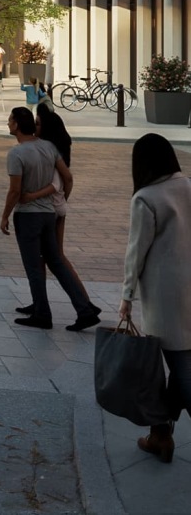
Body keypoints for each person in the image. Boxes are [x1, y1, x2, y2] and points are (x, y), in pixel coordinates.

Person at [117, 133, 191, 464]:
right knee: (182, 361)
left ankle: (160, 433)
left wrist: (126, 295)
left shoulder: (146, 198)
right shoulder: (188, 186)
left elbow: (136, 252)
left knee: (176, 365)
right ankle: (160, 435)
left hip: (165, 295)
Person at [0, 106, 100, 332]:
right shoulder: (49, 147)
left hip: (28, 216)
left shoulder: (16, 154)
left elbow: (15, 191)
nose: (7, 123)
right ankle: (84, 309)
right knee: (55, 261)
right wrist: (62, 201)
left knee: (34, 265)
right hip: (48, 214)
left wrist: (5, 215)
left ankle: (42, 314)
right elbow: (67, 176)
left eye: (10, 120)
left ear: (16, 124)